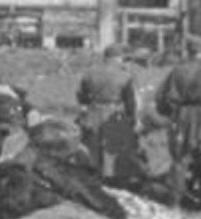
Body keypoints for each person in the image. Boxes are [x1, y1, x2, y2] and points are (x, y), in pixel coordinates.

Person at [76, 44, 141, 180]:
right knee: (112, 149)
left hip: (93, 111)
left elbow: (81, 95)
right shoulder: (125, 74)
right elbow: (130, 100)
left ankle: (93, 177)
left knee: (92, 148)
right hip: (114, 113)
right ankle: (111, 181)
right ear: (118, 58)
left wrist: (86, 108)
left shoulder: (90, 72)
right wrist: (133, 118)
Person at [156, 38, 201, 205]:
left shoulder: (177, 70)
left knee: (180, 159)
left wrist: (170, 113)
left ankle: (175, 202)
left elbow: (161, 97)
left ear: (188, 51)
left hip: (181, 116)